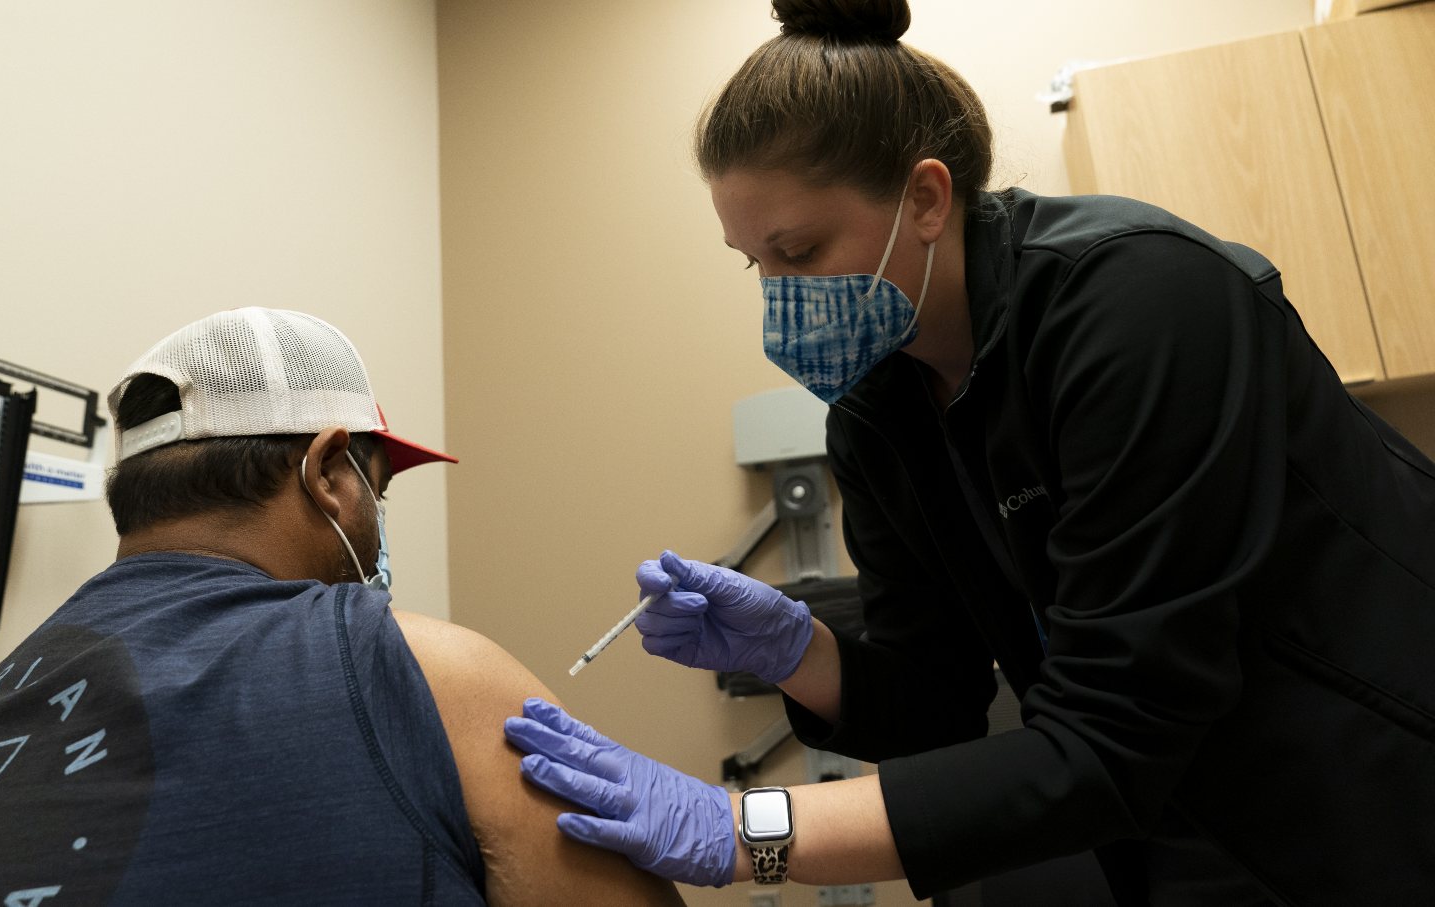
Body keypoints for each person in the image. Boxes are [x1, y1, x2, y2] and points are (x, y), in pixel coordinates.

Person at [503, 1, 1435, 904]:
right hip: (1184, 836)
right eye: (757, 265)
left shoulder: (1138, 304)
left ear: (926, 197)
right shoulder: (877, 413)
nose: (779, 298)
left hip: (1376, 793)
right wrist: (798, 650)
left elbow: (1114, 733)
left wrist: (746, 832)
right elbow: (939, 707)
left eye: (800, 248)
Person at [0, 308, 683, 907]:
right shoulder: (434, 678)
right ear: (327, 471)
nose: (377, 520)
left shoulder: (14, 685)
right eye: (376, 491)